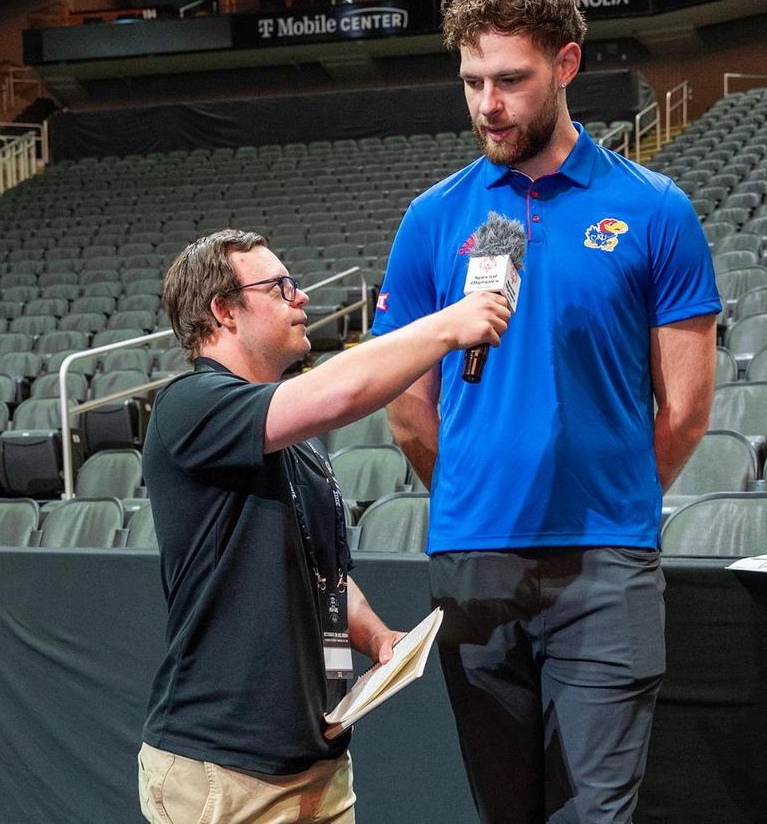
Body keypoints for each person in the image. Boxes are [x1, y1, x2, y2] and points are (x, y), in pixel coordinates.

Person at [371, 0, 721, 823]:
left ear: (567, 65)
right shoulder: (432, 220)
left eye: (511, 80)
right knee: (508, 811)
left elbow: (685, 407)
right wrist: (472, 491)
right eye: (472, 82)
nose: (488, 103)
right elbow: (407, 405)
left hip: (606, 567)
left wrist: (614, 500)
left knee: (594, 814)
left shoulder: (655, 210)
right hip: (473, 562)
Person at [137, 229, 511, 824]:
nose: (301, 297)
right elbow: (341, 392)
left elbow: (324, 574)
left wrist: (379, 640)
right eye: (279, 286)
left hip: (320, 762)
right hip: (226, 771)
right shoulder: (191, 405)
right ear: (222, 311)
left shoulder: (296, 442)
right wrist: (449, 325)